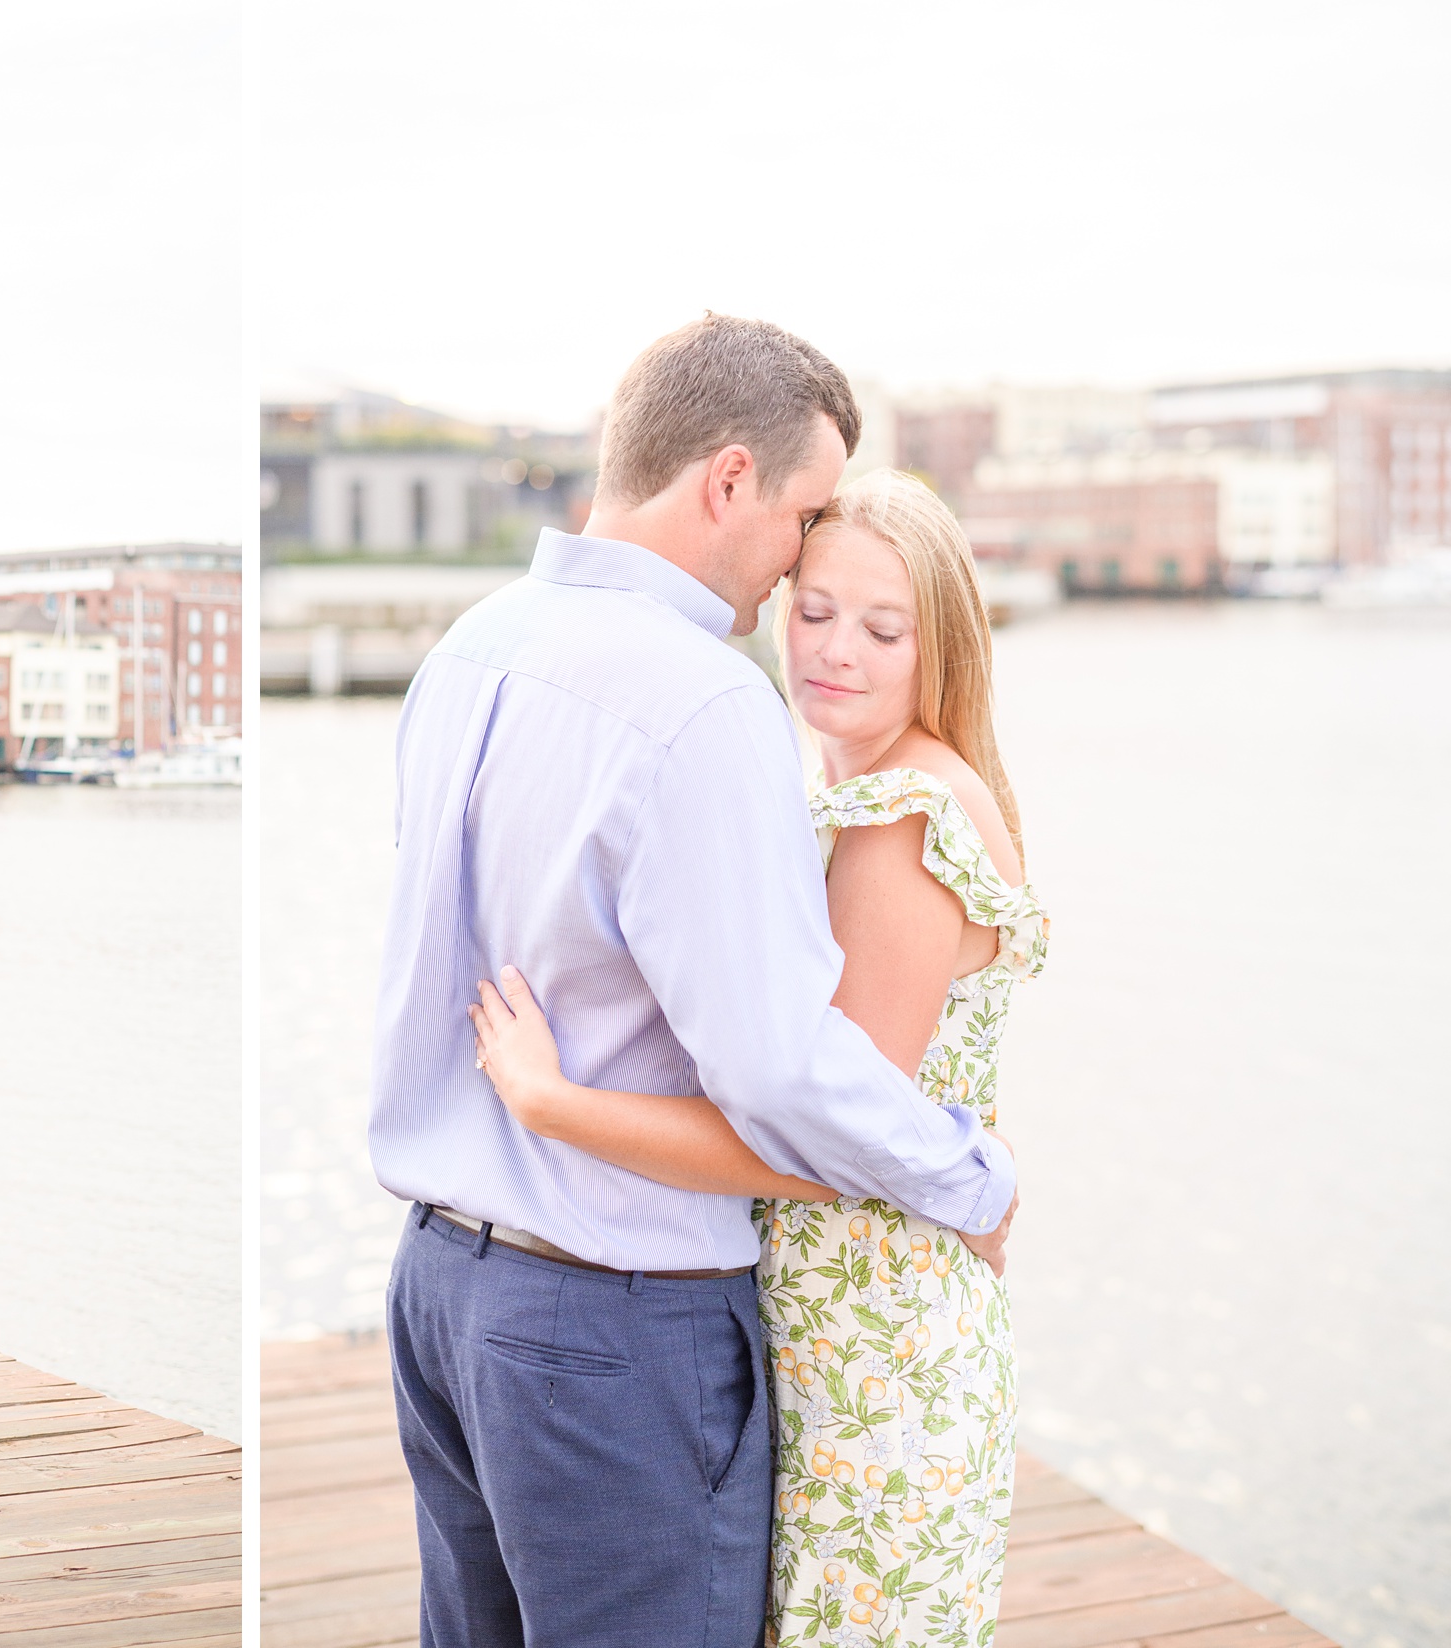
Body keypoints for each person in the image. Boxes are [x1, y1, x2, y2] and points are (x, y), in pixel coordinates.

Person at [369, 313, 1018, 1646]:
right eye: (799, 521)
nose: (792, 572)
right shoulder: (700, 704)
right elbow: (780, 1063)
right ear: (728, 482)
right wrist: (972, 1177)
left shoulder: (472, 645)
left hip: (439, 1288)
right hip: (609, 1330)